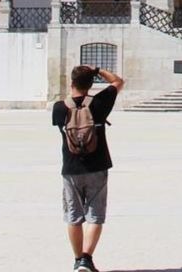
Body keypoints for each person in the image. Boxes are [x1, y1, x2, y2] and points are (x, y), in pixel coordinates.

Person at [51, 65, 125, 272]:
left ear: (71, 82)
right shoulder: (100, 103)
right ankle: (86, 259)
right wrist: (98, 70)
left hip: (71, 167)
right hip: (98, 165)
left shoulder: (59, 107)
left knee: (74, 217)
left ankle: (77, 261)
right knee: (95, 216)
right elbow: (118, 82)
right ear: (91, 84)